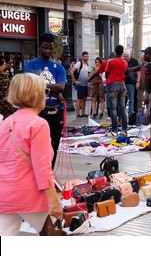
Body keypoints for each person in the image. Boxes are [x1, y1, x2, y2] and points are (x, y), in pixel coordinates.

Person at [0, 73, 63, 235]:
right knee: (52, 234)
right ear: (37, 95)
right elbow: (42, 167)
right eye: (45, 92)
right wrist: (54, 200)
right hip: (30, 195)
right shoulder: (38, 124)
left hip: (5, 194)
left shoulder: (6, 122)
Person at [25, 33, 66, 170]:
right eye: (45, 48)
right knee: (38, 146)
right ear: (39, 47)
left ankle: (50, 176)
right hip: (39, 111)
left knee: (53, 146)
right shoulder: (31, 64)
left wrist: (40, 84)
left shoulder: (58, 67)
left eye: (50, 48)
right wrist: (53, 89)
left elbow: (61, 87)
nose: (47, 51)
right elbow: (30, 85)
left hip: (56, 112)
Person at [98, 45, 128, 136]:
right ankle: (124, 129)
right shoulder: (125, 62)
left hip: (113, 85)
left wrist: (108, 79)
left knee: (113, 108)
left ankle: (114, 130)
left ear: (115, 51)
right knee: (123, 108)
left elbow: (106, 73)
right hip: (122, 84)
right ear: (122, 52)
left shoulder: (111, 62)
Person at [71, 51, 90, 118]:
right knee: (79, 99)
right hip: (80, 85)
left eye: (87, 56)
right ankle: (78, 114)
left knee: (84, 99)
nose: (87, 57)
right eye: (85, 56)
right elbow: (72, 71)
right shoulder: (79, 63)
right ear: (82, 57)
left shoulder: (87, 64)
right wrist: (75, 81)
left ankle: (83, 113)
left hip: (86, 84)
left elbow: (87, 74)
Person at [123, 50, 140, 121]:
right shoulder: (123, 61)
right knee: (123, 100)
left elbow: (138, 72)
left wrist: (138, 81)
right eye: (125, 56)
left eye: (127, 56)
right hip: (124, 82)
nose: (126, 58)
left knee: (131, 99)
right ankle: (123, 114)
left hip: (131, 82)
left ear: (130, 55)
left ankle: (130, 114)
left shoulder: (134, 61)